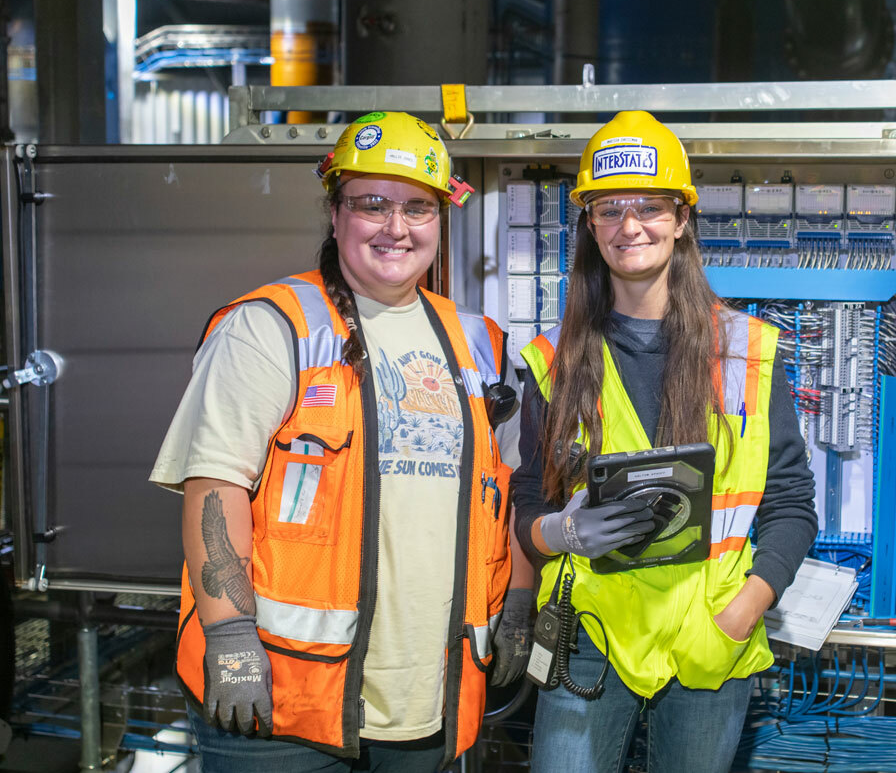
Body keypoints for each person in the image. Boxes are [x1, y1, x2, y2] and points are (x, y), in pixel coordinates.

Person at [151, 111, 534, 772]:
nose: (396, 227)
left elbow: (507, 490)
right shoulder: (272, 327)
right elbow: (215, 486)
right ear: (336, 214)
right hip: (281, 701)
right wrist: (230, 634)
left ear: (442, 219)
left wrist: (521, 600)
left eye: (418, 207)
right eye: (372, 205)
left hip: (429, 700)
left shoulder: (480, 344)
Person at [510, 111, 818, 773]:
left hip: (710, 636)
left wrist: (744, 610)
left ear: (681, 219)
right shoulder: (552, 363)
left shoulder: (747, 353)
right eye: (610, 209)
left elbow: (791, 504)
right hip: (590, 635)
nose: (631, 226)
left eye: (650, 207)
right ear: (589, 225)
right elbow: (527, 507)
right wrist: (563, 532)